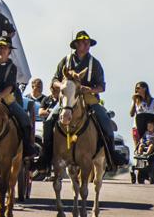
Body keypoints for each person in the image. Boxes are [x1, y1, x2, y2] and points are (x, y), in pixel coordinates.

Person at [36, 30, 115, 171]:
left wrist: (89, 89)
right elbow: (54, 79)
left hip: (88, 98)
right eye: (83, 43)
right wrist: (63, 86)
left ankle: (111, 157)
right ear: (76, 44)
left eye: (88, 43)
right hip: (68, 98)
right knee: (49, 122)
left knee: (105, 121)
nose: (86, 46)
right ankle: (45, 157)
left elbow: (102, 87)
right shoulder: (65, 60)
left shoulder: (94, 63)